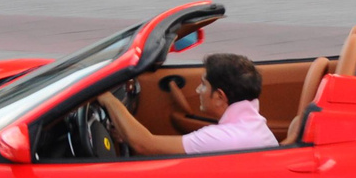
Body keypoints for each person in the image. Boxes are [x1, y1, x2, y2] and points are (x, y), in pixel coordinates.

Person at [97, 53, 277, 156]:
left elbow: (145, 145)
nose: (198, 90)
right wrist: (125, 132)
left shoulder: (224, 138)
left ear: (219, 96)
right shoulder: (252, 126)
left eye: (204, 85)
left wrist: (107, 98)